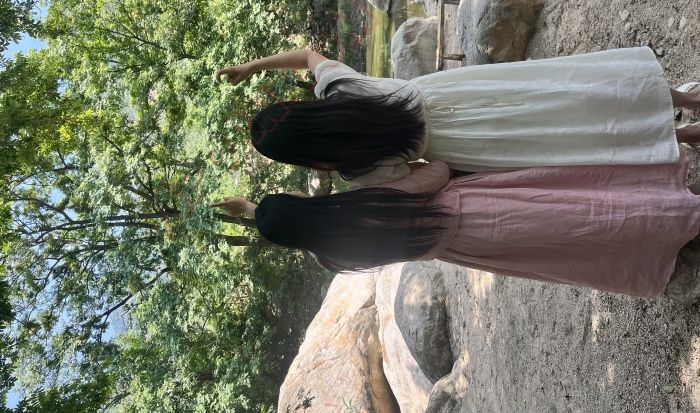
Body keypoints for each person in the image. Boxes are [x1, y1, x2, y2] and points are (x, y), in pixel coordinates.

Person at [211, 158, 700, 300]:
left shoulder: (333, 257)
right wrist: (425, 164)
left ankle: (662, 237)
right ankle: (677, 213)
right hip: (474, 207)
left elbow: (293, 226)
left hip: (466, 247)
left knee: (569, 241)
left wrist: (254, 213)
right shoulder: (361, 198)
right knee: (576, 209)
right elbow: (436, 175)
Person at [216, 48, 700, 186]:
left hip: (466, 145)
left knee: (564, 138)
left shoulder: (351, 169)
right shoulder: (339, 88)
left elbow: (417, 175)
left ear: (298, 154)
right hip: (459, 90)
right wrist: (251, 67)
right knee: (562, 90)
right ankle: (686, 100)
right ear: (298, 109)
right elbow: (307, 55)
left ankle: (686, 136)